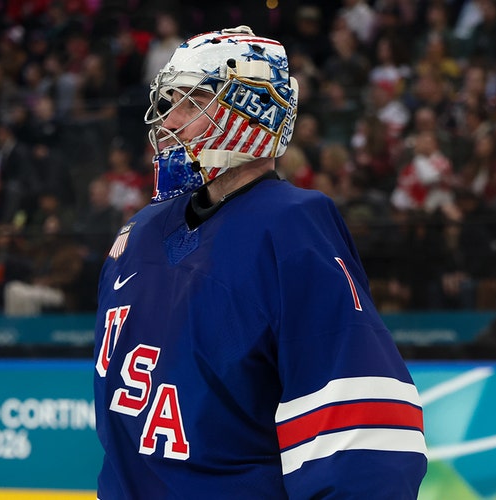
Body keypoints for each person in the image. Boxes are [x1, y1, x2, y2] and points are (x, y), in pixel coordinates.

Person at [93, 26, 427, 499]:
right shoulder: (138, 232)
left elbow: (360, 432)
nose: (170, 121)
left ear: (250, 110)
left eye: (192, 102)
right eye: (169, 103)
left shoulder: (291, 226)